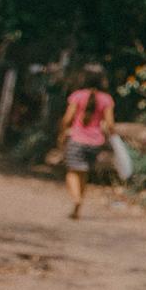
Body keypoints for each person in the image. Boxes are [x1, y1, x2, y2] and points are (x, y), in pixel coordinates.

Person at [56, 64, 120, 219]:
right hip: (96, 142)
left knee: (72, 171)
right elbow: (110, 125)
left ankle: (76, 199)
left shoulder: (77, 96)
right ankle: (79, 204)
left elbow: (67, 119)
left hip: (77, 139)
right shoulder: (107, 99)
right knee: (84, 172)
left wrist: (63, 132)